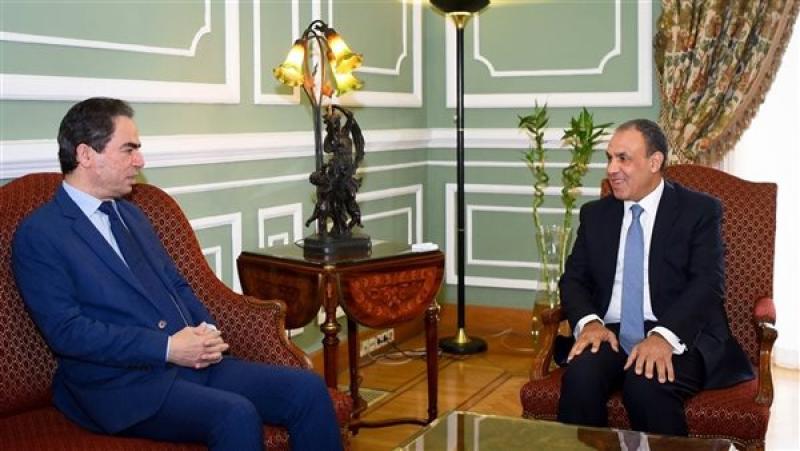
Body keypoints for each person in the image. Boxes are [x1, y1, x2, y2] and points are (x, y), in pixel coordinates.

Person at [12, 97, 343, 451]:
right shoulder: (41, 234)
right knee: (235, 414)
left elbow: (175, 283)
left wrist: (205, 332)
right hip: (120, 386)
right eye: (128, 149)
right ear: (86, 154)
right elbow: (68, 333)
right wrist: (168, 348)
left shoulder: (131, 214)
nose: (140, 161)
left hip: (189, 363)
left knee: (308, 389)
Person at [556, 119, 754, 436]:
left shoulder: (698, 211)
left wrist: (663, 336)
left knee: (647, 384)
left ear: (654, 162)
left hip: (679, 333)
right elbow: (573, 280)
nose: (611, 169)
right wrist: (590, 323)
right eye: (609, 158)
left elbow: (708, 284)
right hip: (610, 332)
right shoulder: (596, 215)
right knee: (581, 378)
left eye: (623, 158)